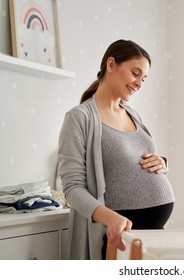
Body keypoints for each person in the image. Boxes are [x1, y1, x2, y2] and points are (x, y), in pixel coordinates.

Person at [58, 39, 175, 260]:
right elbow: (72, 189)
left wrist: (163, 163)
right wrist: (111, 218)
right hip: (117, 237)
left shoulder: (132, 113)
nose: (139, 83)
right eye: (135, 73)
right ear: (111, 65)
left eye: (144, 78)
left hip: (152, 237)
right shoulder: (79, 118)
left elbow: (134, 159)